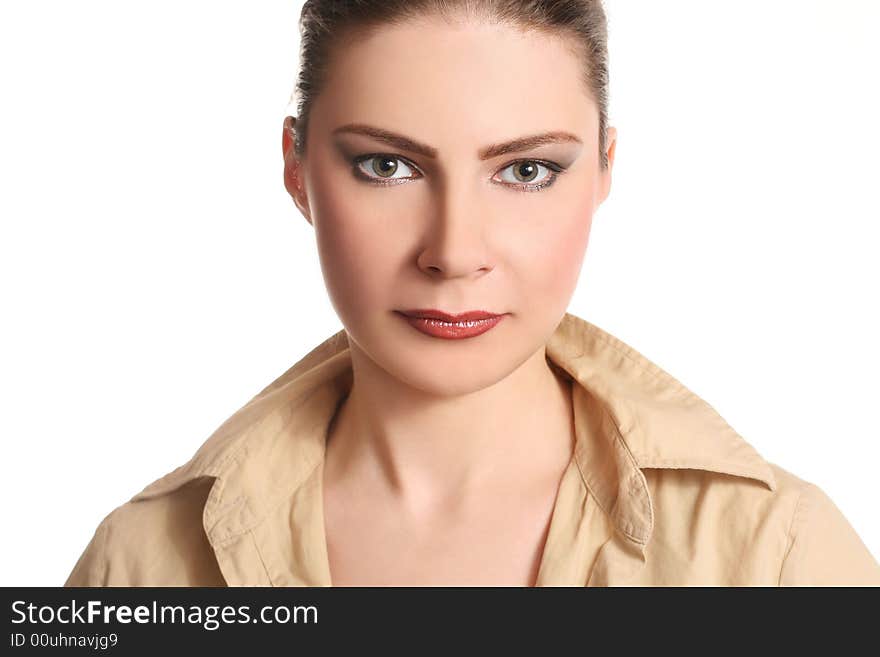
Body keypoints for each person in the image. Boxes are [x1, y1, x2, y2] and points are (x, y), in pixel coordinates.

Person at [65, 0, 879, 587]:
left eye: (526, 170)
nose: (453, 253)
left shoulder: (778, 560)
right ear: (297, 169)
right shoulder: (138, 570)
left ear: (602, 171)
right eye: (387, 165)